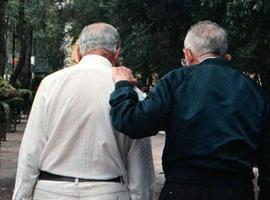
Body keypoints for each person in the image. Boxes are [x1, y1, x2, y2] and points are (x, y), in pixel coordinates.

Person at [109, 20, 270, 200]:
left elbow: (133, 122)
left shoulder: (175, 81)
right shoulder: (255, 91)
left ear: (188, 54)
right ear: (226, 55)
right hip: (235, 190)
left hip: (183, 188)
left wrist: (123, 85)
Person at [13, 23, 155, 200]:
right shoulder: (131, 93)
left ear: (79, 51)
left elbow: (31, 150)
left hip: (51, 190)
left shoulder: (50, 84)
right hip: (108, 191)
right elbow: (140, 162)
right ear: (117, 52)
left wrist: (21, 196)